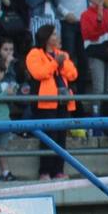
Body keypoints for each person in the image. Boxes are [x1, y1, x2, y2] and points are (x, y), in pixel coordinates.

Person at [24, 23, 77, 180]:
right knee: (49, 138)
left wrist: (60, 64)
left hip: (63, 101)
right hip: (45, 102)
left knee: (61, 137)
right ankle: (45, 172)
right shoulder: (34, 54)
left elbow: (73, 74)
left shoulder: (61, 54)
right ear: (46, 38)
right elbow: (39, 73)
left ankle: (58, 170)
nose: (57, 37)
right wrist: (55, 63)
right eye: (53, 34)